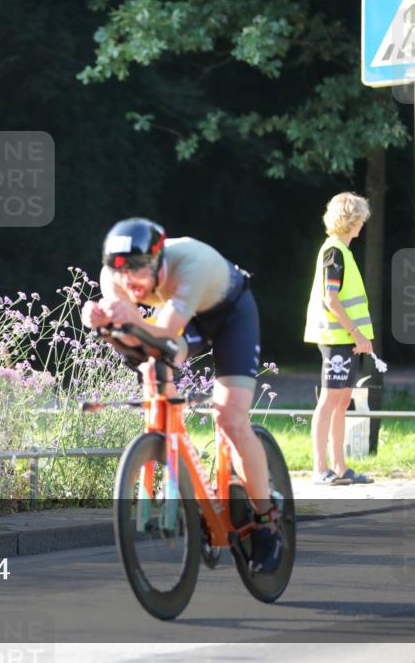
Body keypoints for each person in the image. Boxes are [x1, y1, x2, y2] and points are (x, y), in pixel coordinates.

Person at [81, 218, 283, 574]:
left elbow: (165, 331)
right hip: (184, 317)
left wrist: (128, 321)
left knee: (230, 419)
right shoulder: (111, 276)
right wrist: (100, 322)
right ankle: (173, 442)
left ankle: (267, 521)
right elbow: (138, 343)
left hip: (230, 314)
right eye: (122, 271)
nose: (131, 281)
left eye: (141, 269)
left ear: (160, 259)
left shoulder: (191, 262)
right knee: (152, 367)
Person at [304, 192, 376, 486]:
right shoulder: (334, 251)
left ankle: (340, 467)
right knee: (329, 399)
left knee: (343, 399)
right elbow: (331, 299)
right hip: (336, 337)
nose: (363, 222)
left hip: (346, 338)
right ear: (351, 219)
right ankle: (321, 468)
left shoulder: (342, 251)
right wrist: (357, 333)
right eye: (360, 217)